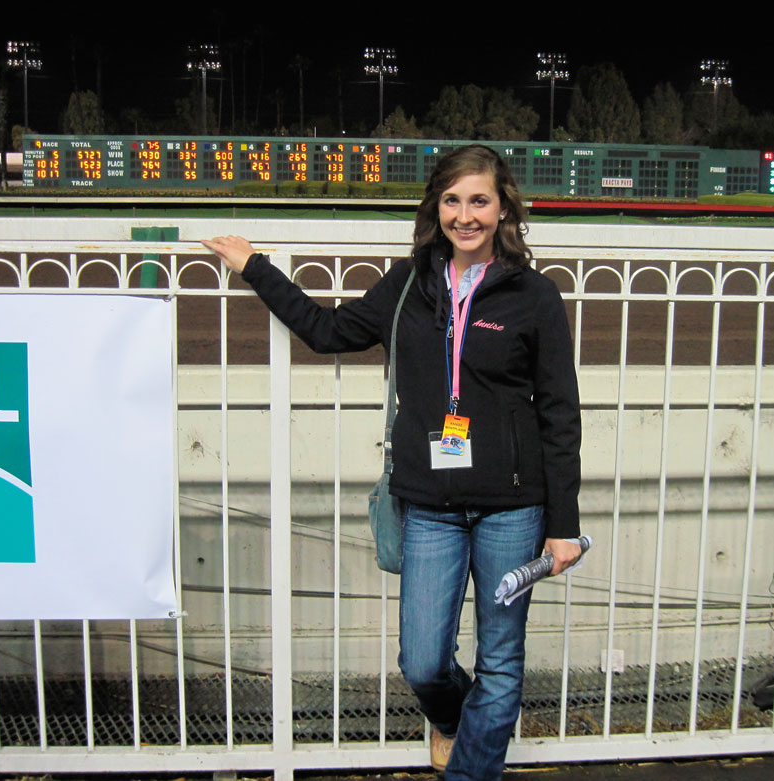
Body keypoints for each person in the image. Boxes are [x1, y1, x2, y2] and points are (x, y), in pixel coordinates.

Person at [203, 144, 582, 780]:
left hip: (514, 506)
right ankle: (452, 718)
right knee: (424, 662)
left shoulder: (534, 296)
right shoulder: (408, 283)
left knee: (501, 660)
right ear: (437, 206)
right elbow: (327, 332)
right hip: (429, 502)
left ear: (503, 208)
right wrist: (256, 268)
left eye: (480, 201)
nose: (466, 215)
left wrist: (562, 523)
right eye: (454, 200)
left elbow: (559, 413)